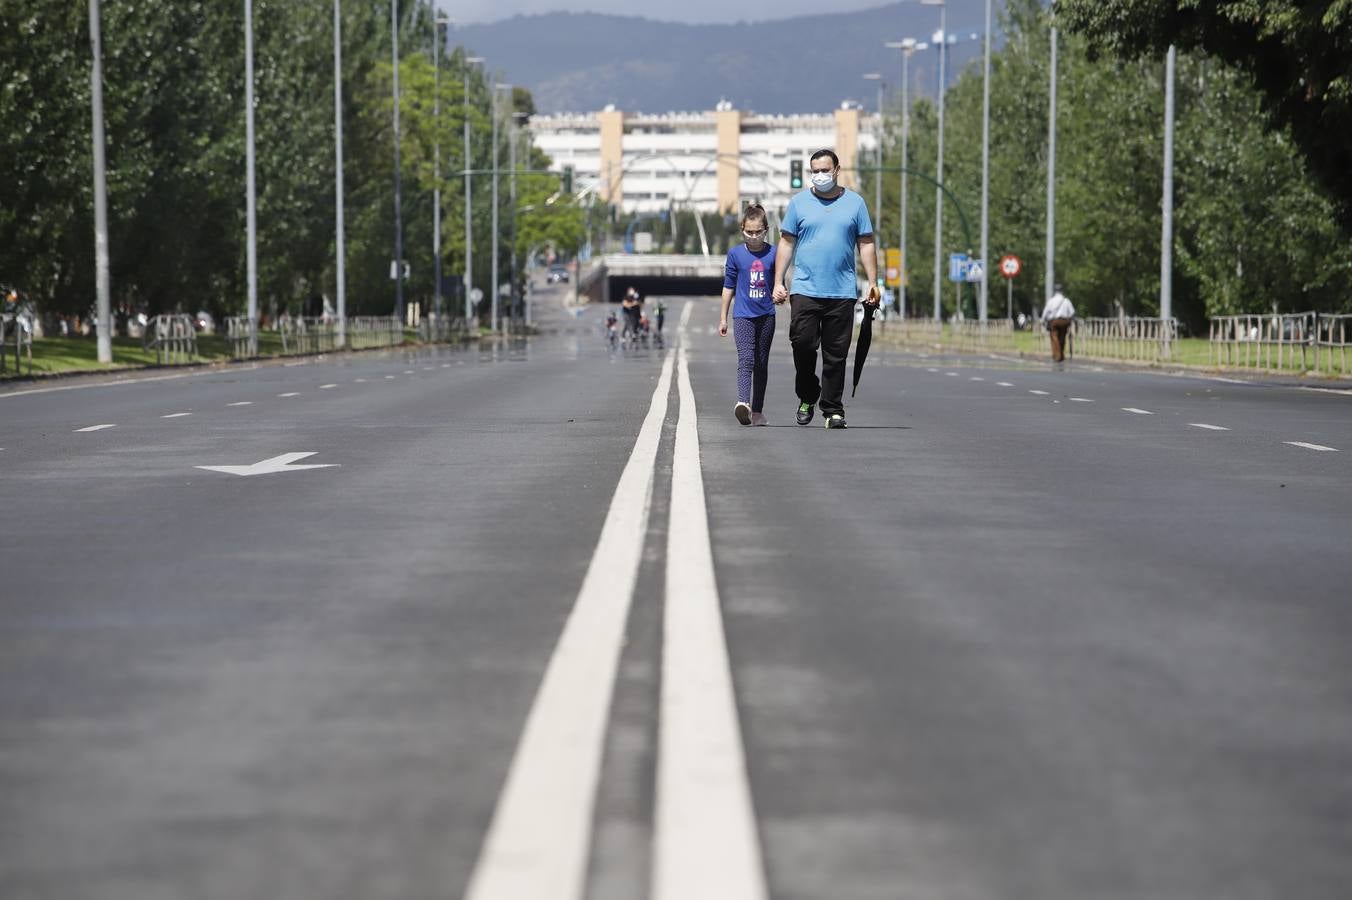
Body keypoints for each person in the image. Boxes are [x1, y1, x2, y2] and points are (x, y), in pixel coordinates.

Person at [772, 149, 879, 429]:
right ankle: (808, 394)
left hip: (842, 291)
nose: (820, 175)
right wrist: (778, 280)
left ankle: (833, 409)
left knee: (836, 355)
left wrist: (873, 282)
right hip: (805, 289)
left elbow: (866, 244)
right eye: (815, 170)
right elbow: (786, 243)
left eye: (824, 170)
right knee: (803, 344)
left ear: (836, 169)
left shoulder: (855, 204)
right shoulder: (799, 203)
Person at [719, 203, 777, 426]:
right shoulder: (735, 254)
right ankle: (743, 403)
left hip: (766, 315)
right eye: (749, 232)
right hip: (742, 315)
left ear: (766, 229)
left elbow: (779, 281)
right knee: (746, 359)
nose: (753, 236)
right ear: (742, 228)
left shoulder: (773, 253)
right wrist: (723, 317)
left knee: (761, 363)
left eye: (758, 232)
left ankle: (758, 411)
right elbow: (728, 286)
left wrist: (781, 292)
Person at [1042, 283, 1075, 364]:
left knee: (1054, 337)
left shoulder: (1051, 301)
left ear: (1055, 291)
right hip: (1064, 321)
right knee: (1062, 338)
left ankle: (1057, 355)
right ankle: (1061, 354)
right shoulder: (1066, 301)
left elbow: (1045, 312)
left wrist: (1043, 320)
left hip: (1054, 321)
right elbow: (1072, 312)